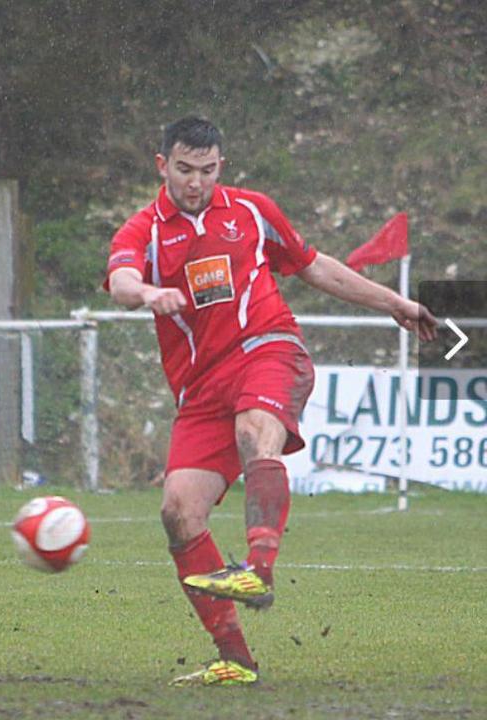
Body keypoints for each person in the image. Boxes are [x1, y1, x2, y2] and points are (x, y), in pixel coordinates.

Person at [105, 116, 438, 687]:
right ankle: (235, 659)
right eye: (184, 170)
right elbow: (119, 279)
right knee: (179, 513)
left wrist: (392, 302)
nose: (196, 182)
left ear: (221, 168)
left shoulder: (252, 211)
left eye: (207, 171)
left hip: (269, 348)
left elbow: (314, 266)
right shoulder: (145, 230)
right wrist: (147, 292)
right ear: (162, 166)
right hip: (201, 389)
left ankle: (258, 568)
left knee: (255, 431)